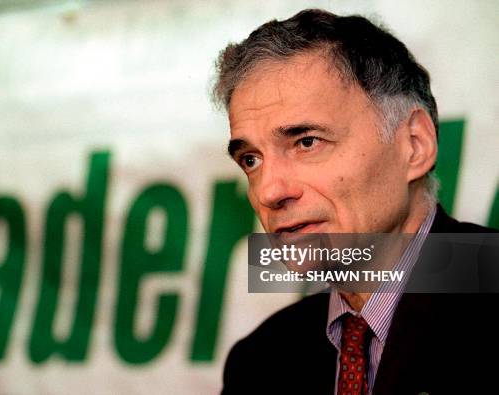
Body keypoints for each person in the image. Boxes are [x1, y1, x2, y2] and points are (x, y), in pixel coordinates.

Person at [213, 9, 499, 395]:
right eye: (251, 160)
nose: (268, 191)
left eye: (306, 142)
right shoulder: (261, 362)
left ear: (414, 146)